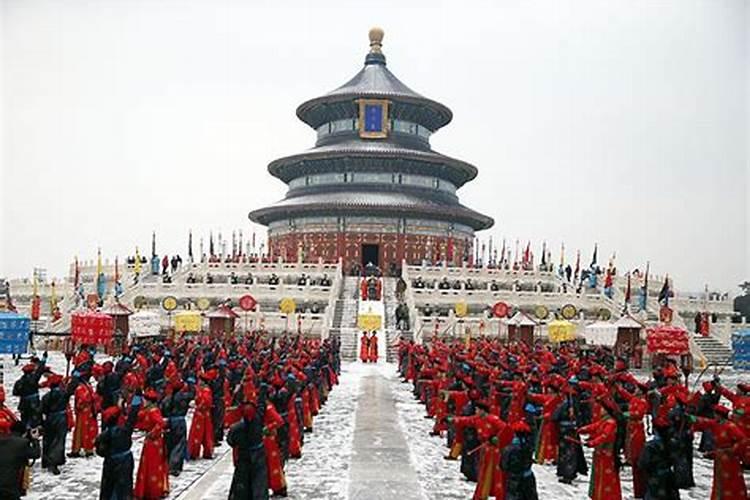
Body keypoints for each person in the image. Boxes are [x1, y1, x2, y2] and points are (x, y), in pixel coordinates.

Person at [689, 405, 748, 500]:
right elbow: (705, 422)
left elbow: (743, 440)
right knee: (720, 481)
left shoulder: (730, 426)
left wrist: (732, 450)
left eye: (715, 414)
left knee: (731, 480)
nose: (714, 416)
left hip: (730, 459)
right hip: (720, 459)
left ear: (720, 415)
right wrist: (692, 418)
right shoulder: (716, 424)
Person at [95, 395, 142, 500]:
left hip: (111, 461)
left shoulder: (104, 435)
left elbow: (100, 451)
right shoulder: (126, 429)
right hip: (126, 460)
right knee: (124, 486)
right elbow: (132, 418)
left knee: (109, 486)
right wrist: (135, 405)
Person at [227, 402, 269, 500]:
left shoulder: (236, 428)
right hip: (258, 456)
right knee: (259, 484)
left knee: (242, 483)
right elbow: (262, 407)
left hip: (243, 457)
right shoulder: (259, 422)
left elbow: (230, 441)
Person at [134, 389, 169, 499]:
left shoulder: (153, 411)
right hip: (151, 442)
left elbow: (161, 424)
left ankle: (152, 490)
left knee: (152, 466)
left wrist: (152, 434)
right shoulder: (149, 410)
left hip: (154, 443)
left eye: (145, 399)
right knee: (149, 466)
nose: (143, 401)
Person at [40, 372, 73, 474]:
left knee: (48, 439)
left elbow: (42, 410)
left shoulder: (46, 397)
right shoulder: (64, 394)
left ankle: (46, 460)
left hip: (50, 418)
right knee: (58, 440)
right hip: (61, 418)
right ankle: (54, 462)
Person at [0, 420, 40, 500]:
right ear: (24, 433)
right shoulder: (22, 443)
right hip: (10, 484)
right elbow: (36, 454)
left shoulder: (2, 440)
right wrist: (35, 440)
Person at [501, 421, 539, 500]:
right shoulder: (529, 447)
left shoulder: (508, 449)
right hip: (528, 477)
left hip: (514, 480)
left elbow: (503, 465)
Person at [69, 371, 98, 458]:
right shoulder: (88, 386)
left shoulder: (80, 388)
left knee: (80, 431)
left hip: (83, 413)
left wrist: (78, 407)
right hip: (90, 411)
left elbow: (81, 401)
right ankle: (89, 449)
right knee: (89, 431)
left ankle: (76, 450)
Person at [188, 371, 215, 460]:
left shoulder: (206, 390)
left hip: (203, 414)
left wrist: (198, 406)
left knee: (203, 434)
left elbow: (206, 402)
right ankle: (194, 452)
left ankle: (205, 452)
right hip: (198, 414)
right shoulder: (200, 389)